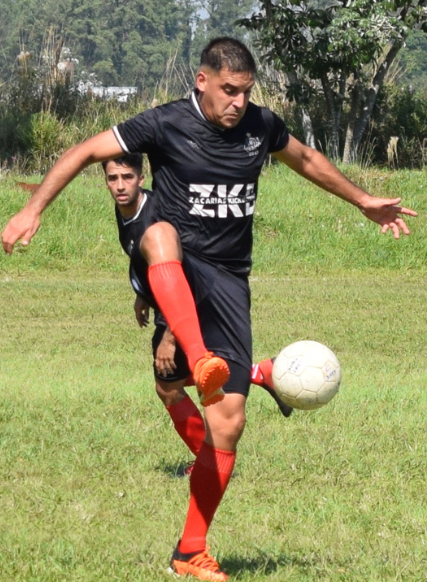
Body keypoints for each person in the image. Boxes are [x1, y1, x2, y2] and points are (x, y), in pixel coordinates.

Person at [2, 37, 415, 582]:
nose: (238, 101)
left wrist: (363, 200)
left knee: (229, 422)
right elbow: (83, 151)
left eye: (245, 91)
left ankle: (189, 551)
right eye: (228, 90)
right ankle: (201, 359)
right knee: (159, 234)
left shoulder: (260, 126)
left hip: (229, 281)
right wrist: (33, 209)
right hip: (176, 262)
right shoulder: (165, 123)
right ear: (202, 81)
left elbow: (306, 159)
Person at [105, 153, 292, 474]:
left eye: (128, 177)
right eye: (113, 178)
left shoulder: (157, 218)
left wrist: (169, 335)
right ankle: (259, 373)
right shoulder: (127, 209)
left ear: (141, 178)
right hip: (185, 299)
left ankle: (211, 462)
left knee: (168, 387)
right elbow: (143, 256)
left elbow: (185, 276)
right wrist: (142, 293)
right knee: (176, 379)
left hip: (192, 300)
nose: (120, 185)